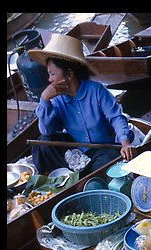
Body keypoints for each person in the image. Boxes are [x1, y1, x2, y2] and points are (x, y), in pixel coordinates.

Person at [28, 33, 134, 175]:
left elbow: (116, 117)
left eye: (52, 74)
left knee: (108, 160)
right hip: (77, 151)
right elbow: (46, 131)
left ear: (70, 74)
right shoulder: (57, 99)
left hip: (103, 149)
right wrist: (44, 99)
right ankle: (72, 174)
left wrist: (124, 142)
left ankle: (81, 176)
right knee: (43, 144)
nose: (49, 79)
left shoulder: (96, 91)